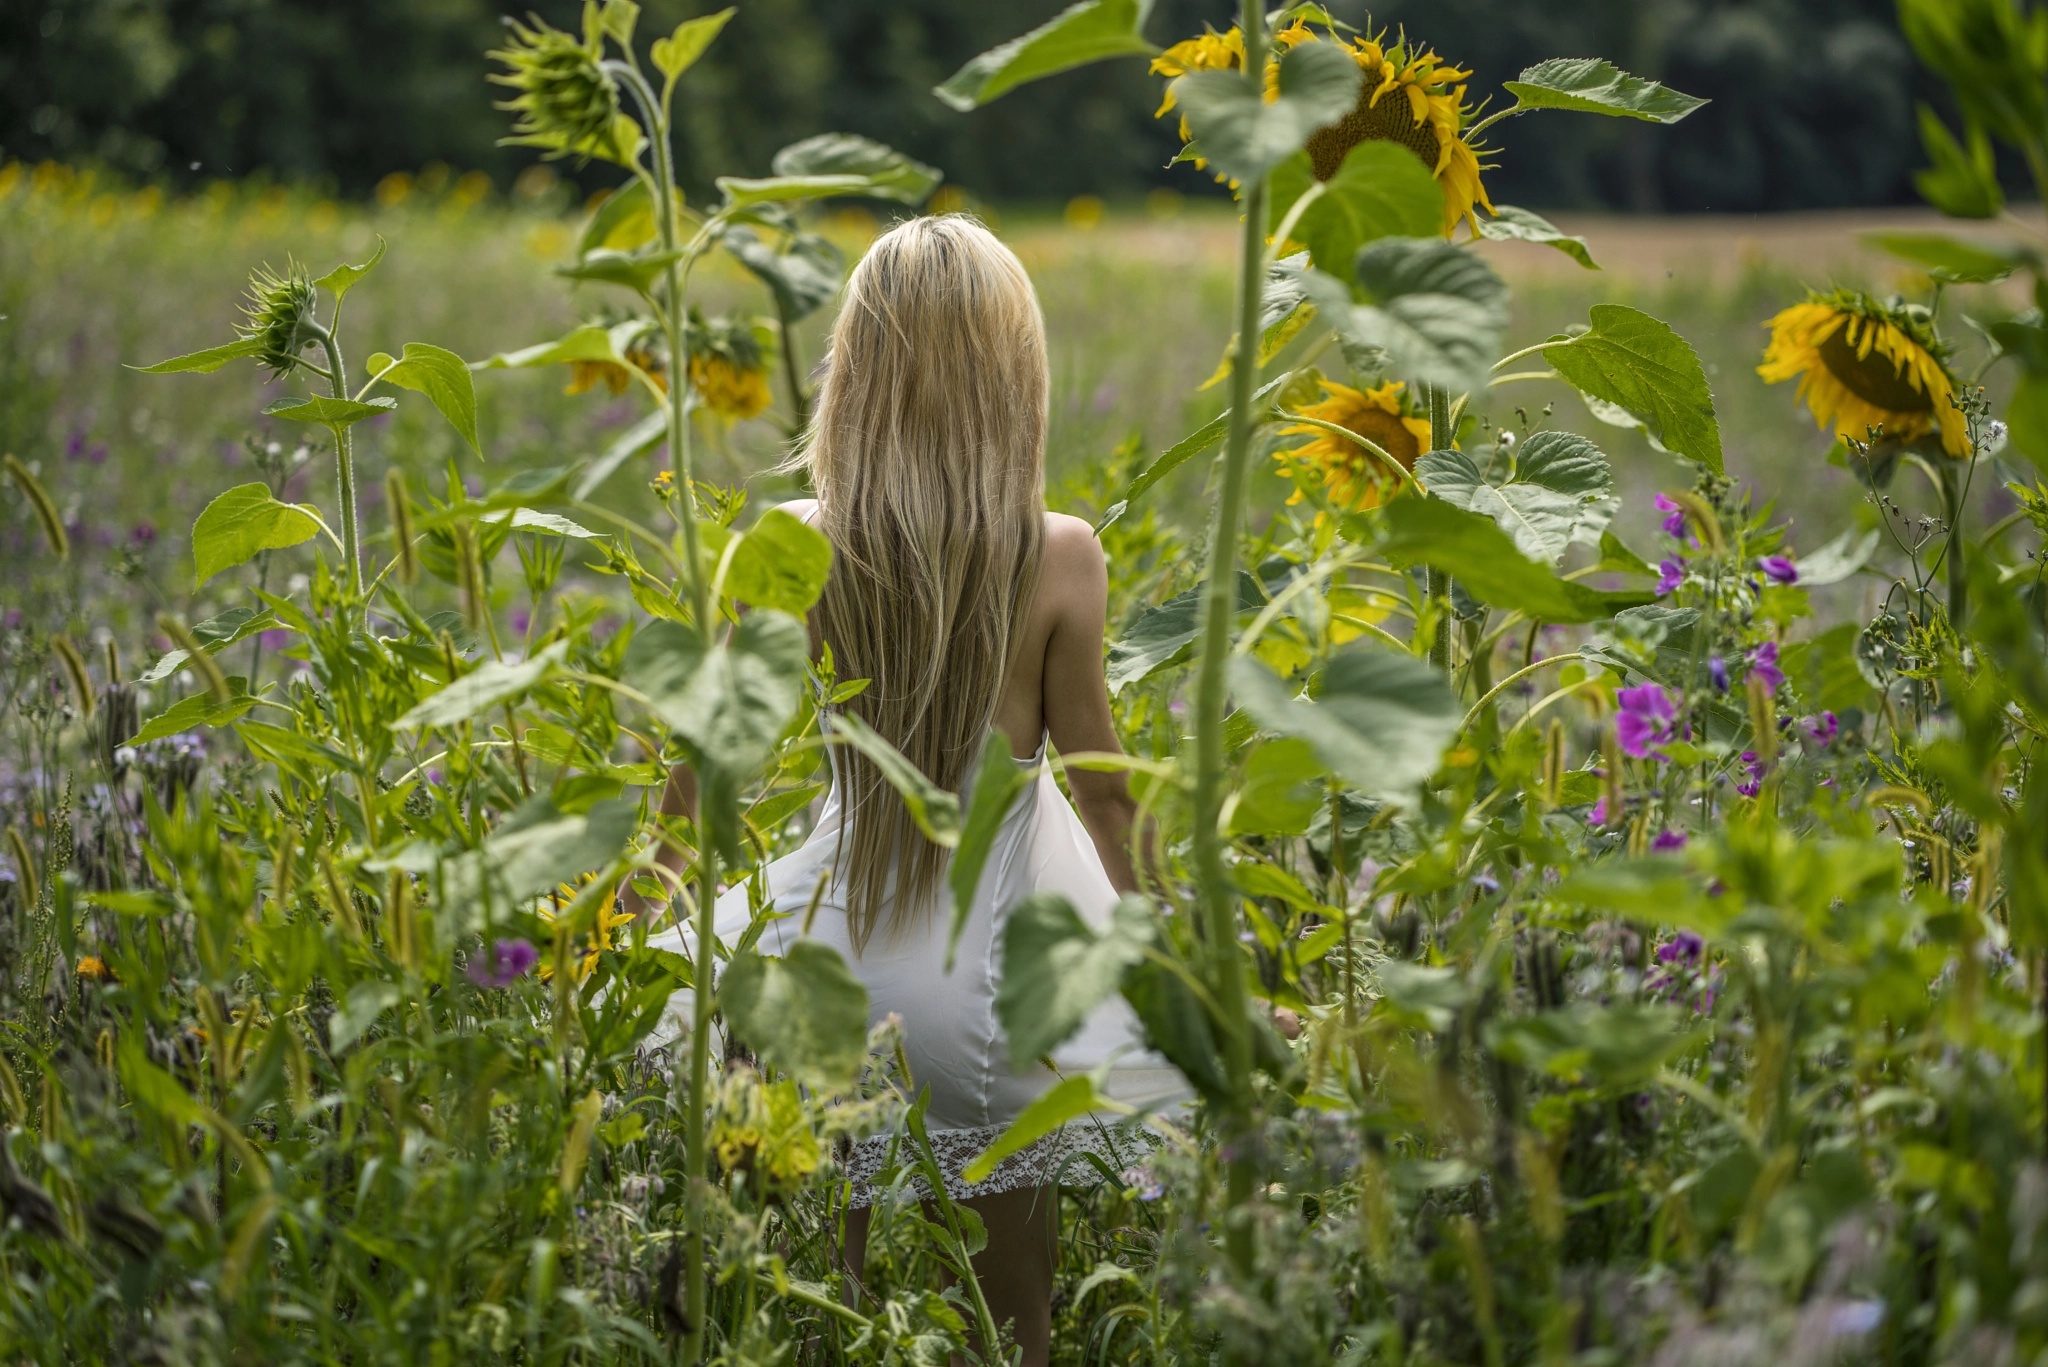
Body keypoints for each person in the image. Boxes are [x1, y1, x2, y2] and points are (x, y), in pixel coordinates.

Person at [643, 214, 1178, 1367]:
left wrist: (630, 914)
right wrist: (1181, 955)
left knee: (815, 1312)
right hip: (993, 985)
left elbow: (705, 765)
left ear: (859, 373)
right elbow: (1106, 797)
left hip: (832, 968)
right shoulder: (1060, 553)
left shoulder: (793, 539)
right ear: (1013, 381)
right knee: (1012, 1327)